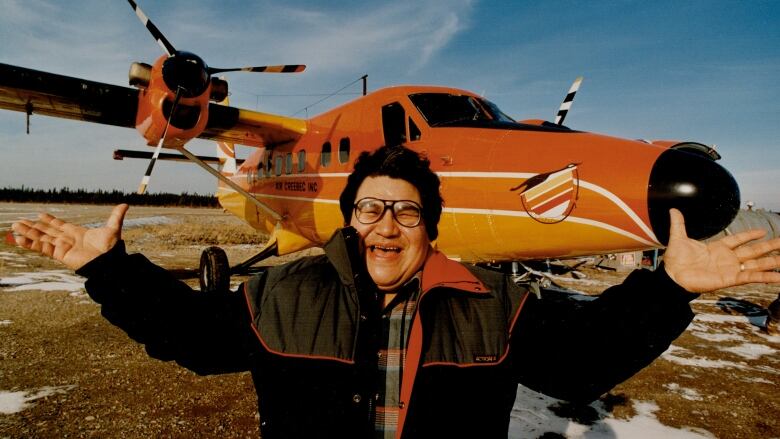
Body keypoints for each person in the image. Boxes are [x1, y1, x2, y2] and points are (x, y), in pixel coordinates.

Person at [11, 145, 780, 439]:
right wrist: (105, 266)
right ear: (350, 219)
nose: (387, 224)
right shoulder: (282, 292)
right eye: (371, 206)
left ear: (429, 226)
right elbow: (190, 334)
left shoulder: (494, 302)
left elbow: (579, 365)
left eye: (407, 209)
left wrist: (672, 287)